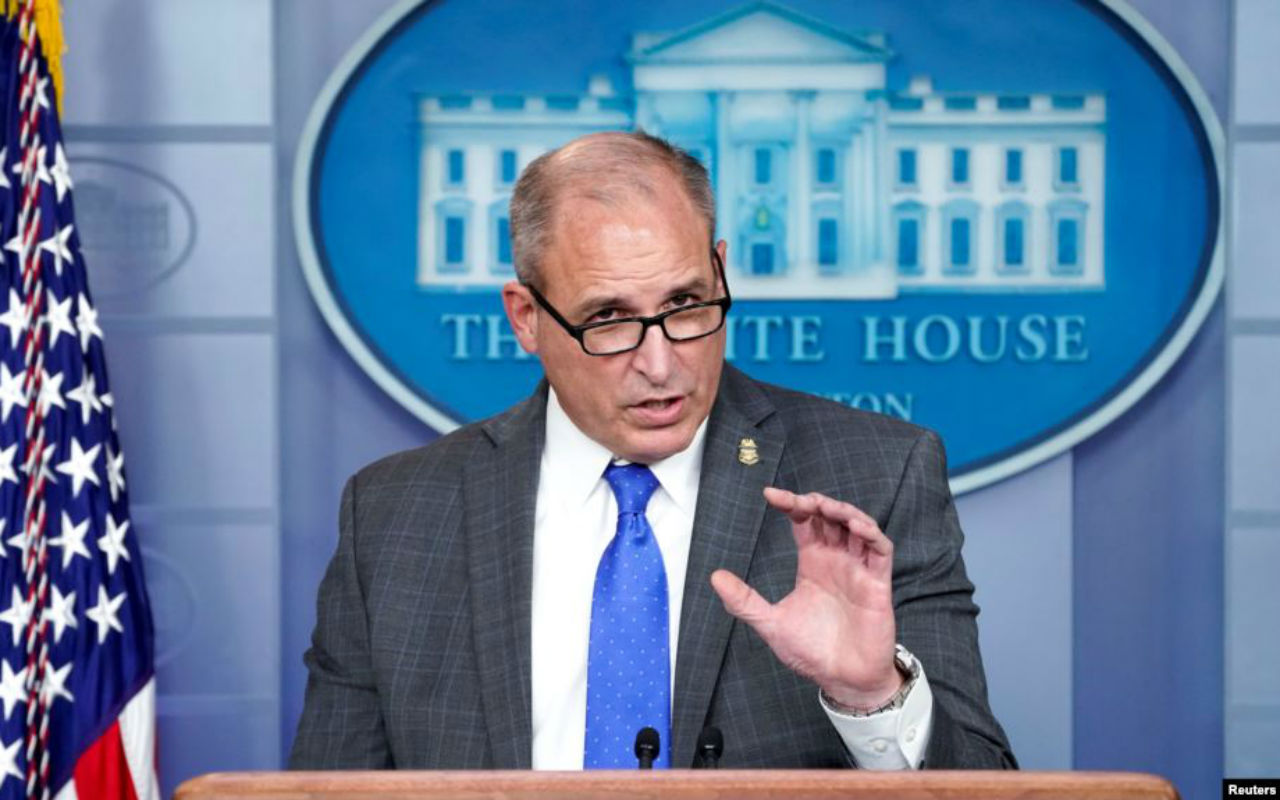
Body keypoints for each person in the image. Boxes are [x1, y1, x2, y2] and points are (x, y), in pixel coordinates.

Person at [290, 131, 1015, 771]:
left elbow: (985, 786)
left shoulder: (874, 478)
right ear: (525, 318)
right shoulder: (393, 515)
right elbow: (324, 792)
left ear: (721, 273)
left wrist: (872, 697)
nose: (662, 364)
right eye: (608, 319)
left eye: (687, 306)